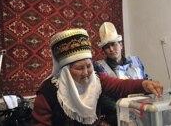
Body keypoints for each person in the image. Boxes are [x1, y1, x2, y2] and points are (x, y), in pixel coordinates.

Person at [31, 28, 163, 126]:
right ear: (65, 71)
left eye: (88, 66)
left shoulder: (96, 79)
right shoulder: (48, 91)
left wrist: (144, 84)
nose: (86, 72)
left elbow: (120, 86)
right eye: (79, 68)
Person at [94, 22, 150, 125]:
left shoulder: (136, 61)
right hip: (117, 113)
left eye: (114, 44)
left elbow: (146, 82)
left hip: (142, 109)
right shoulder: (99, 67)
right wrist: (126, 109)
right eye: (107, 47)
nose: (111, 49)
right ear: (103, 50)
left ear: (121, 45)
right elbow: (103, 99)